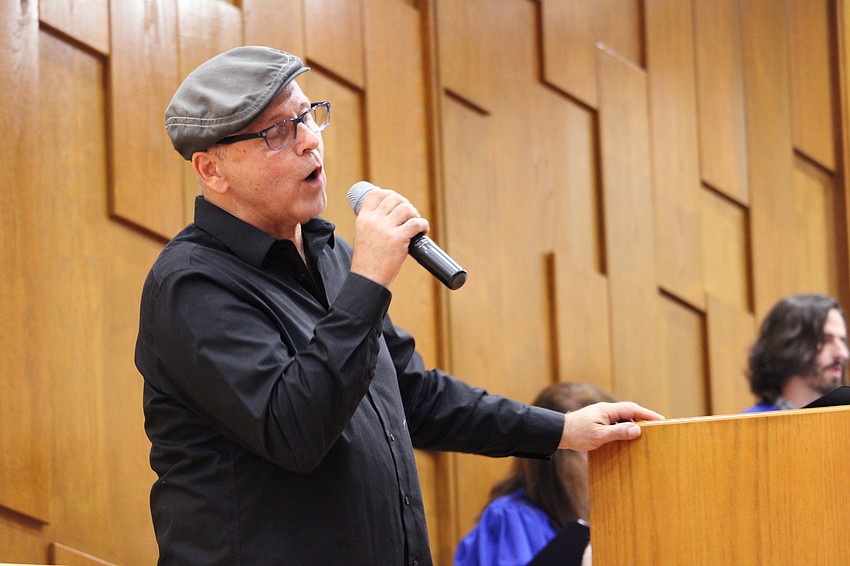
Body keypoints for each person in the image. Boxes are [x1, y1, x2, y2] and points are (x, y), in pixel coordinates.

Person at [134, 45, 663, 565]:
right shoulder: (191, 284)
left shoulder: (332, 257)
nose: (308, 143)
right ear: (212, 171)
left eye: (308, 116)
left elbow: (413, 397)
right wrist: (369, 279)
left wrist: (562, 430)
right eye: (277, 132)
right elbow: (294, 430)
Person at [454, 382, 613, 566]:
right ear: (557, 462)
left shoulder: (606, 513)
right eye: (595, 450)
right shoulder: (510, 517)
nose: (611, 461)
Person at [742, 293, 848, 412]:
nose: (843, 353)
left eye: (842, 340)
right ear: (789, 345)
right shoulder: (748, 427)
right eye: (826, 340)